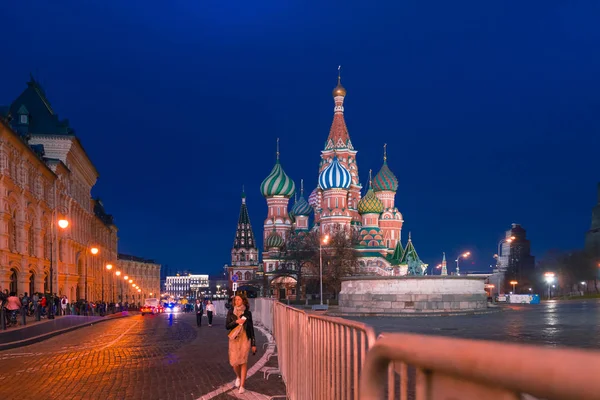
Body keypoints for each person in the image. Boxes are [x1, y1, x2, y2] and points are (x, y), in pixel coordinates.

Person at [226, 295, 256, 394]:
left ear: (243, 301)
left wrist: (253, 343)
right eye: (235, 300)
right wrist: (236, 322)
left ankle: (242, 385)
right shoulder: (231, 312)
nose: (237, 301)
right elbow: (227, 326)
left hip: (245, 339)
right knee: (234, 362)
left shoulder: (248, 313)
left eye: (239, 299)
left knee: (243, 361)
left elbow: (251, 329)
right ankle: (238, 376)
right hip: (234, 339)